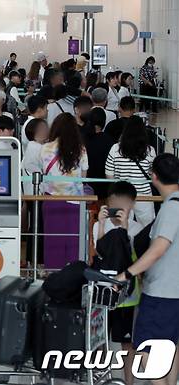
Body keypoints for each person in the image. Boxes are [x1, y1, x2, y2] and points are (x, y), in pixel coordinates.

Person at [114, 153, 179, 385]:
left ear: (154, 177)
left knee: (144, 348)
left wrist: (128, 273)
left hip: (163, 292)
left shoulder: (172, 209)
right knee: (170, 345)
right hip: (174, 292)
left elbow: (159, 248)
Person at [93, 181, 143, 385]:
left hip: (128, 296)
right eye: (114, 202)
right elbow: (99, 252)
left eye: (123, 203)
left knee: (127, 342)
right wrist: (102, 224)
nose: (118, 206)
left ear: (132, 204)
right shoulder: (98, 225)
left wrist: (124, 228)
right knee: (100, 339)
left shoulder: (137, 228)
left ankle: (128, 380)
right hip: (104, 292)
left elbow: (136, 259)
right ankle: (100, 377)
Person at [38, 113, 89, 269]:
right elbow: (84, 176)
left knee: (53, 242)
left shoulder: (45, 148)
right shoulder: (81, 150)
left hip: (52, 201)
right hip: (75, 202)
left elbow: (43, 172)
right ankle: (74, 274)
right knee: (74, 242)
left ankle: (53, 274)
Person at [105, 116, 157, 226]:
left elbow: (109, 175)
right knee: (147, 227)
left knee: (119, 226)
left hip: (121, 195)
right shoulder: (150, 150)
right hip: (144, 196)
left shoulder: (115, 148)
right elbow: (152, 174)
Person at [84, 108, 115, 200]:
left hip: (86, 186)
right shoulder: (109, 141)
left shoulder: (82, 138)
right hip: (104, 187)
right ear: (104, 122)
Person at [22, 118, 49, 194]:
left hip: (32, 191)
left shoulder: (32, 146)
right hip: (37, 191)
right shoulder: (37, 148)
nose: (47, 130)